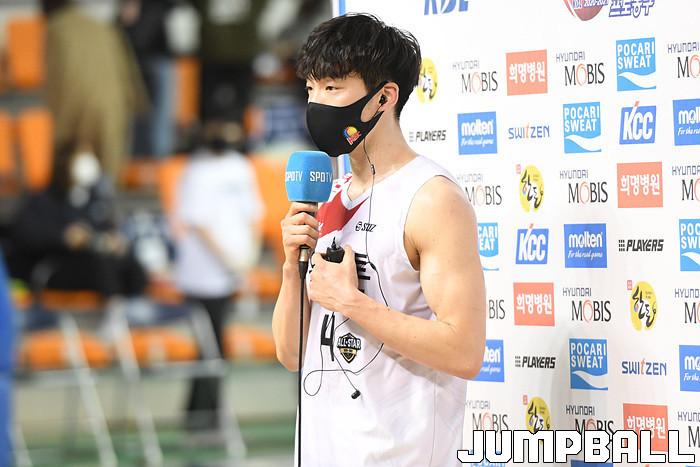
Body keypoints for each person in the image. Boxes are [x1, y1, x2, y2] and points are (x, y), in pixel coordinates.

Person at [272, 14, 486, 466]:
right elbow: (291, 354)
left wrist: (351, 303)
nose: (316, 104)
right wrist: (292, 268)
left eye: (332, 88)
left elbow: (464, 351)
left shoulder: (432, 198)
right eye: (310, 90)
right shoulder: (326, 195)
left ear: (384, 97)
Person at [173, 121, 264, 431]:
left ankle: (204, 416)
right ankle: (200, 418)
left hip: (232, 270)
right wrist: (229, 260)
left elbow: (253, 213)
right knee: (209, 348)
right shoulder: (195, 171)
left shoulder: (240, 166)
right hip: (203, 274)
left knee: (215, 347)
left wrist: (248, 258)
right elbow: (197, 223)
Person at [9, 142, 146, 298]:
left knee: (132, 267)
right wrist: (64, 236)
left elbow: (104, 228)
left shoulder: (93, 199)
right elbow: (25, 234)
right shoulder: (43, 198)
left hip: (90, 260)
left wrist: (111, 240)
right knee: (101, 268)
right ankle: (112, 309)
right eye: (80, 156)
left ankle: (137, 310)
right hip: (56, 264)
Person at [42, 0, 148, 178]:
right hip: (111, 107)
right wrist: (135, 100)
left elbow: (55, 78)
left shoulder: (57, 29)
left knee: (74, 170)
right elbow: (125, 69)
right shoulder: (103, 28)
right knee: (107, 171)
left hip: (77, 110)